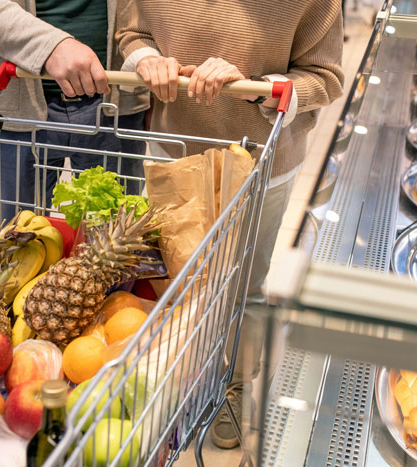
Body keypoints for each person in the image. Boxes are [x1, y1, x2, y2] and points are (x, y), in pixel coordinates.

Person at [117, 0, 344, 449]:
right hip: (174, 149)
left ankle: (236, 383)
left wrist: (258, 87)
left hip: (263, 161)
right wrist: (148, 60)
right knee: (172, 280)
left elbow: (325, 76)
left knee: (248, 285)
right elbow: (130, 33)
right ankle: (176, 379)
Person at [0, 0, 150, 227]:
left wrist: (147, 52)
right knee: (16, 242)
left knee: (116, 238)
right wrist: (50, 46)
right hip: (13, 108)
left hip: (115, 100)